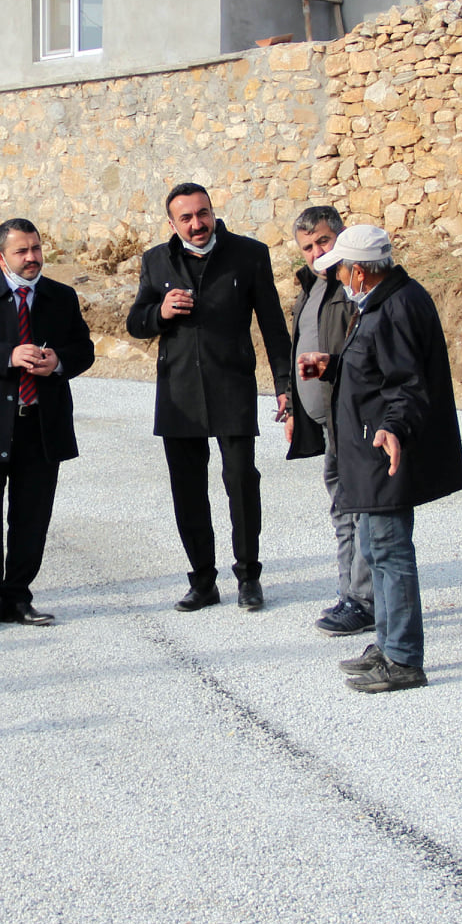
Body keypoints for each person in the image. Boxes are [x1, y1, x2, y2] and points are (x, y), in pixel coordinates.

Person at [296, 225, 462, 693]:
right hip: (369, 450)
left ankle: (403, 658)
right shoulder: (382, 301)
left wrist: (393, 428)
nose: (338, 278)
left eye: (342, 270)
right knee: (375, 548)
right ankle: (389, 645)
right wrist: (334, 366)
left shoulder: (397, 306)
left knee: (390, 551)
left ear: (360, 272)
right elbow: (377, 366)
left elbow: (407, 382)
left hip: (382, 450)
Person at [126, 183, 292, 612]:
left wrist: (285, 385)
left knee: (242, 482)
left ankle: (249, 577)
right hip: (179, 394)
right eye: (186, 218)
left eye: (203, 213)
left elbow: (273, 325)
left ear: (213, 212)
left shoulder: (249, 254)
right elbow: (136, 323)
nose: (197, 223)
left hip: (232, 387)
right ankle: (202, 581)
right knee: (187, 490)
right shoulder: (156, 260)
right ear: (172, 224)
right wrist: (160, 312)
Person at [0, 218, 97, 635]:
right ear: (1, 257)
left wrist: (59, 361)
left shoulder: (61, 297)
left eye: (36, 248)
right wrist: (8, 356)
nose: (32, 257)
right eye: (21, 251)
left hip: (41, 426)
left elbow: (84, 349)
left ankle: (16, 598)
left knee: (31, 519)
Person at [283, 206, 374, 637]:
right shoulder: (311, 286)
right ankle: (349, 595)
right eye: (308, 247)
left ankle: (364, 601)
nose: (317, 252)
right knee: (343, 511)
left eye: (323, 241)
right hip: (328, 424)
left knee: (360, 512)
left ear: (341, 235)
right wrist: (294, 407)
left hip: (354, 420)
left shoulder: (354, 285)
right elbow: (301, 347)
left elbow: (365, 352)